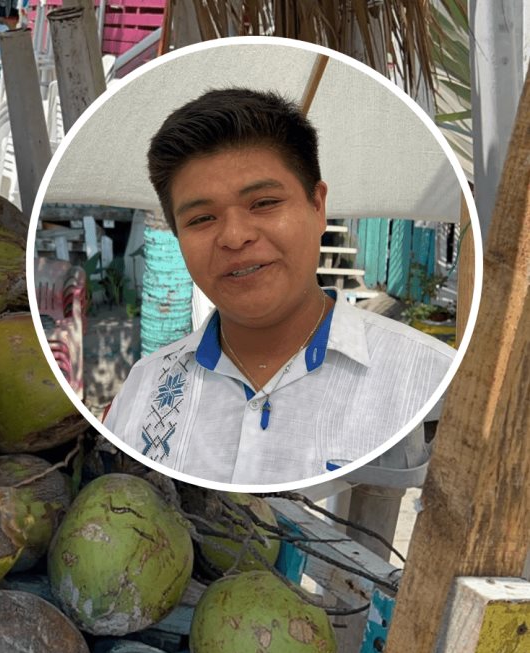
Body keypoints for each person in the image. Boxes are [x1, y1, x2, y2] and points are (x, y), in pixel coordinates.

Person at [102, 88, 456, 486]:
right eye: (202, 219)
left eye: (264, 203)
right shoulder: (143, 389)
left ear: (318, 207)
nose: (234, 237)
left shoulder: (431, 379)